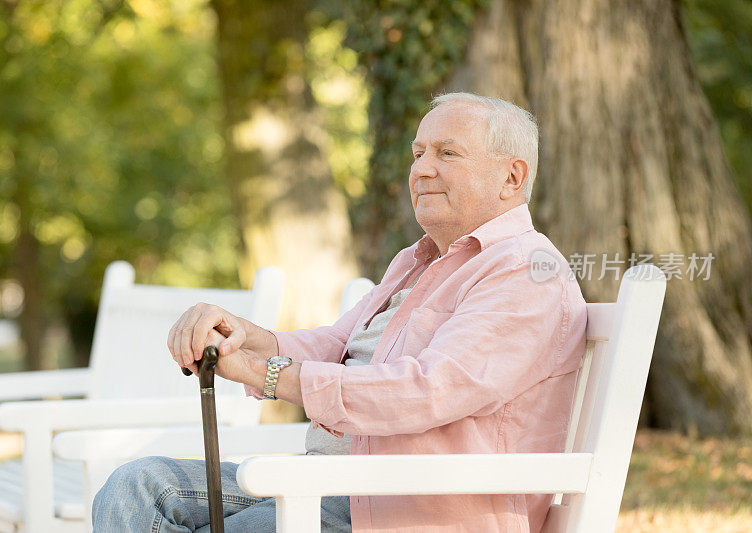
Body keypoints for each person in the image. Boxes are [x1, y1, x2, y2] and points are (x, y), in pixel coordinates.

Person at [92, 92, 587, 533]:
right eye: (417, 154)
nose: (420, 170)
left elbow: (425, 391)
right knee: (136, 488)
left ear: (512, 176)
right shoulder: (418, 261)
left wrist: (269, 375)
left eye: (447, 154)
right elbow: (337, 345)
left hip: (403, 506)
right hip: (330, 482)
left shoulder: (524, 271)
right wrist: (244, 336)